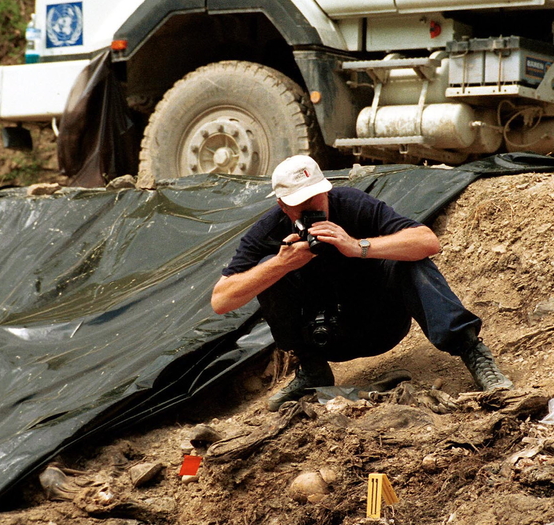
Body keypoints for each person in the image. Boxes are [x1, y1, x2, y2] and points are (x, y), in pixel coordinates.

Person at [211, 155, 512, 410]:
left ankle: (472, 352)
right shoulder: (268, 229)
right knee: (266, 270)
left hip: (381, 323)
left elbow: (427, 241)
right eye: (299, 204)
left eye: (315, 197)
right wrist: (282, 264)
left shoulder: (352, 204)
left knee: (407, 257)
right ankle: (312, 372)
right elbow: (221, 301)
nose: (311, 208)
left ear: (326, 190)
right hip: (328, 336)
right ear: (283, 205)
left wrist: (358, 247)